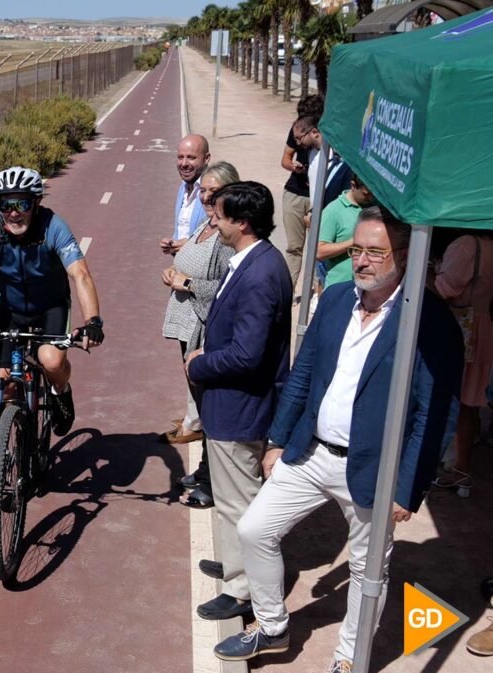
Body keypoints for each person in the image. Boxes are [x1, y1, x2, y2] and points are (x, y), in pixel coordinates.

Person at [214, 208, 463, 672]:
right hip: (310, 452)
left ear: (405, 257)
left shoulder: (429, 321)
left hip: (374, 467)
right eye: (356, 250)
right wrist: (277, 440)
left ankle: (349, 659)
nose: (363, 261)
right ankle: (272, 628)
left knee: (367, 572)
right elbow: (303, 373)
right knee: (254, 529)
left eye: (375, 252)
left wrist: (408, 487)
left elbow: (436, 411)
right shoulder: (334, 299)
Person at [0, 166, 104, 442]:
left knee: (50, 361)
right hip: (11, 311)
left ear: (36, 202)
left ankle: (61, 391)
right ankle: (2, 452)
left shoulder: (53, 227)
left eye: (21, 203)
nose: (13, 212)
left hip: (51, 307)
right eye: (5, 204)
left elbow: (79, 273)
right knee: (2, 382)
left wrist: (93, 321)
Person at [184, 181, 292, 621]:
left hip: (238, 407)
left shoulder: (260, 274)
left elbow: (247, 355)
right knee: (232, 500)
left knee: (238, 503)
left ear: (242, 223)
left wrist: (200, 364)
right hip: (231, 405)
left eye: (221, 215)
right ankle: (234, 565)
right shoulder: (255, 260)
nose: (214, 220)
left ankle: (243, 590)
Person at [160, 161, 240, 508]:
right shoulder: (208, 225)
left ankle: (211, 482)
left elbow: (226, 288)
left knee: (210, 407)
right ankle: (206, 469)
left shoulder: (224, 238)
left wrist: (186, 282)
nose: (206, 197)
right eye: (204, 191)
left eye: (214, 192)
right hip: (187, 325)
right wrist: (175, 268)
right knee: (201, 402)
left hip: (205, 329)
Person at [432, 230, 493, 496]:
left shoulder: (466, 245)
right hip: (483, 327)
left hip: (461, 328)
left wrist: (426, 274)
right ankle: (461, 469)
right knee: (470, 403)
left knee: (446, 398)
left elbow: (445, 288)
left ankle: (454, 466)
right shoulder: (489, 246)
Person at [280, 95, 322, 287]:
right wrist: (294, 167)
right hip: (295, 194)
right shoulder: (298, 131)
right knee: (294, 248)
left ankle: (314, 293)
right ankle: (287, 291)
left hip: (319, 200)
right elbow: (285, 159)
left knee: (318, 249)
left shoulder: (328, 139)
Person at [316, 173, 374, 289]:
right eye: (366, 194)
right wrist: (354, 242)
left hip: (367, 288)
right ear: (353, 185)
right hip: (339, 286)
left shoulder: (372, 206)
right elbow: (319, 251)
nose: (370, 198)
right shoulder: (333, 211)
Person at [161, 134, 210, 256]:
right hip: (181, 269)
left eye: (191, 157)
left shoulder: (214, 192)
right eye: (180, 157)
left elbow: (224, 239)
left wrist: (191, 246)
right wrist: (173, 244)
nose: (184, 163)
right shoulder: (183, 188)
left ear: (206, 158)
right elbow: (182, 230)